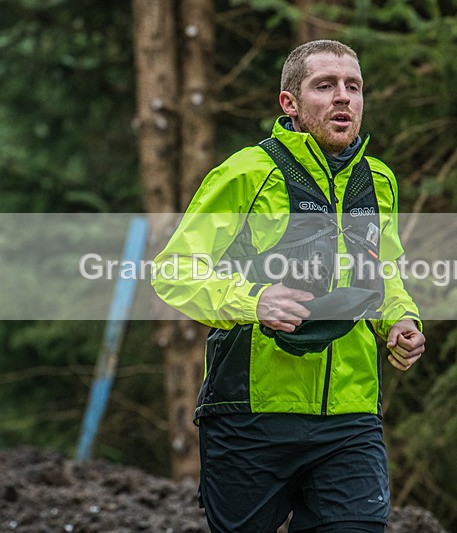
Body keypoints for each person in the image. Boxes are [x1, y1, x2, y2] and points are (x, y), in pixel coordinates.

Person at [151, 39, 425, 533]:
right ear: (290, 104)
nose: (344, 97)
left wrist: (400, 320)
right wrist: (251, 301)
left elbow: (383, 274)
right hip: (252, 415)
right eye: (325, 85)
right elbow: (173, 270)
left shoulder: (379, 180)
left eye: (353, 87)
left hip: (351, 415)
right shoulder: (247, 173)